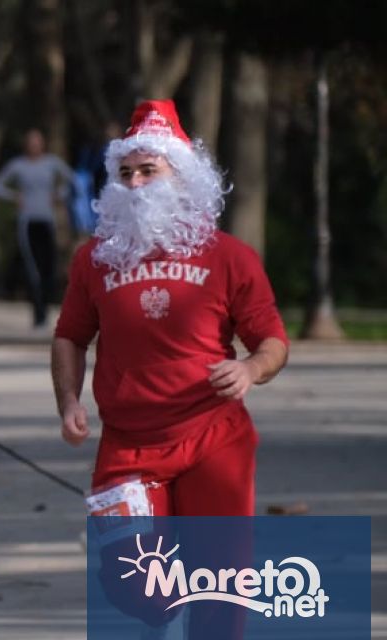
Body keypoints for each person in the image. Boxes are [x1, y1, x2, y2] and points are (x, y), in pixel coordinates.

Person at [51, 100, 288, 634]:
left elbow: (272, 339)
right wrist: (68, 401)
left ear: (182, 177)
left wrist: (251, 370)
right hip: (128, 444)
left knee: (220, 596)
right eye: (125, 173)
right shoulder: (95, 260)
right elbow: (69, 336)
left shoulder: (229, 256)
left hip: (214, 437)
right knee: (134, 585)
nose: (135, 183)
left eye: (148, 170)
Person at [0, 128, 76, 328]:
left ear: (43, 144)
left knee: (48, 268)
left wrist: (59, 194)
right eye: (31, 142)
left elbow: (73, 180)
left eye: (37, 142)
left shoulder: (51, 163)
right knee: (33, 269)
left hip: (47, 220)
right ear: (26, 145)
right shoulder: (18, 166)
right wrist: (14, 196)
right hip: (27, 221)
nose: (34, 145)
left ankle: (47, 310)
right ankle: (37, 315)